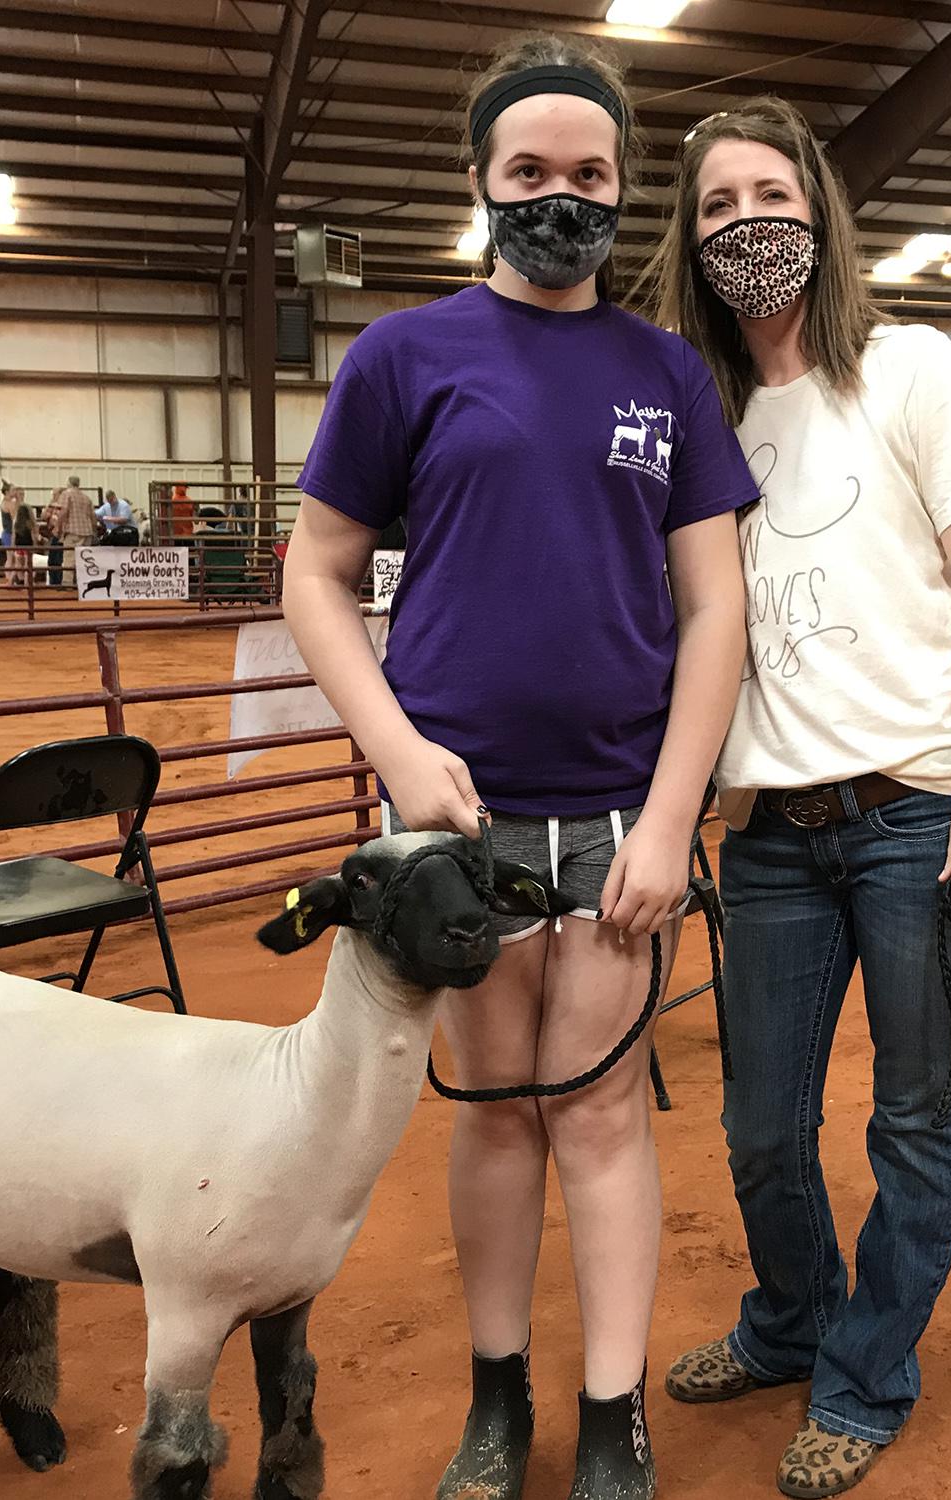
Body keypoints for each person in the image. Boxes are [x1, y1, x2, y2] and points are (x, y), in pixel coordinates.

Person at [281, 33, 753, 1500]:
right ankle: (500, 1403)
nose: (563, 196)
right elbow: (316, 572)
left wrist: (673, 820)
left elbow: (717, 606)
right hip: (455, 820)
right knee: (492, 1106)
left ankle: (611, 1414)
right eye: (531, 172)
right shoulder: (405, 356)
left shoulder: (666, 371)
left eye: (593, 174)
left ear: (627, 189)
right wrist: (399, 749)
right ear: (483, 183)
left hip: (622, 811)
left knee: (599, 1108)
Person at [647, 98, 951, 1498]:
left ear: (818, 208)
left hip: (921, 810)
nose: (749, 221)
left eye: (771, 194)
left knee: (914, 1117)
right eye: (718, 205)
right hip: (770, 837)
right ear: (691, 239)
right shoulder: (705, 412)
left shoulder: (913, 369)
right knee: (760, 1125)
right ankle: (795, 1318)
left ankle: (865, 1378)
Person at [44, 474, 95, 585]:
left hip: (72, 530)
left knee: (69, 558)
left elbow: (64, 511)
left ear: (68, 483)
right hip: (87, 531)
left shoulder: (66, 494)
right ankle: (82, 583)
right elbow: (92, 516)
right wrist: (94, 530)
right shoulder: (86, 497)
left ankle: (67, 583)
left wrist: (58, 527)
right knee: (83, 559)